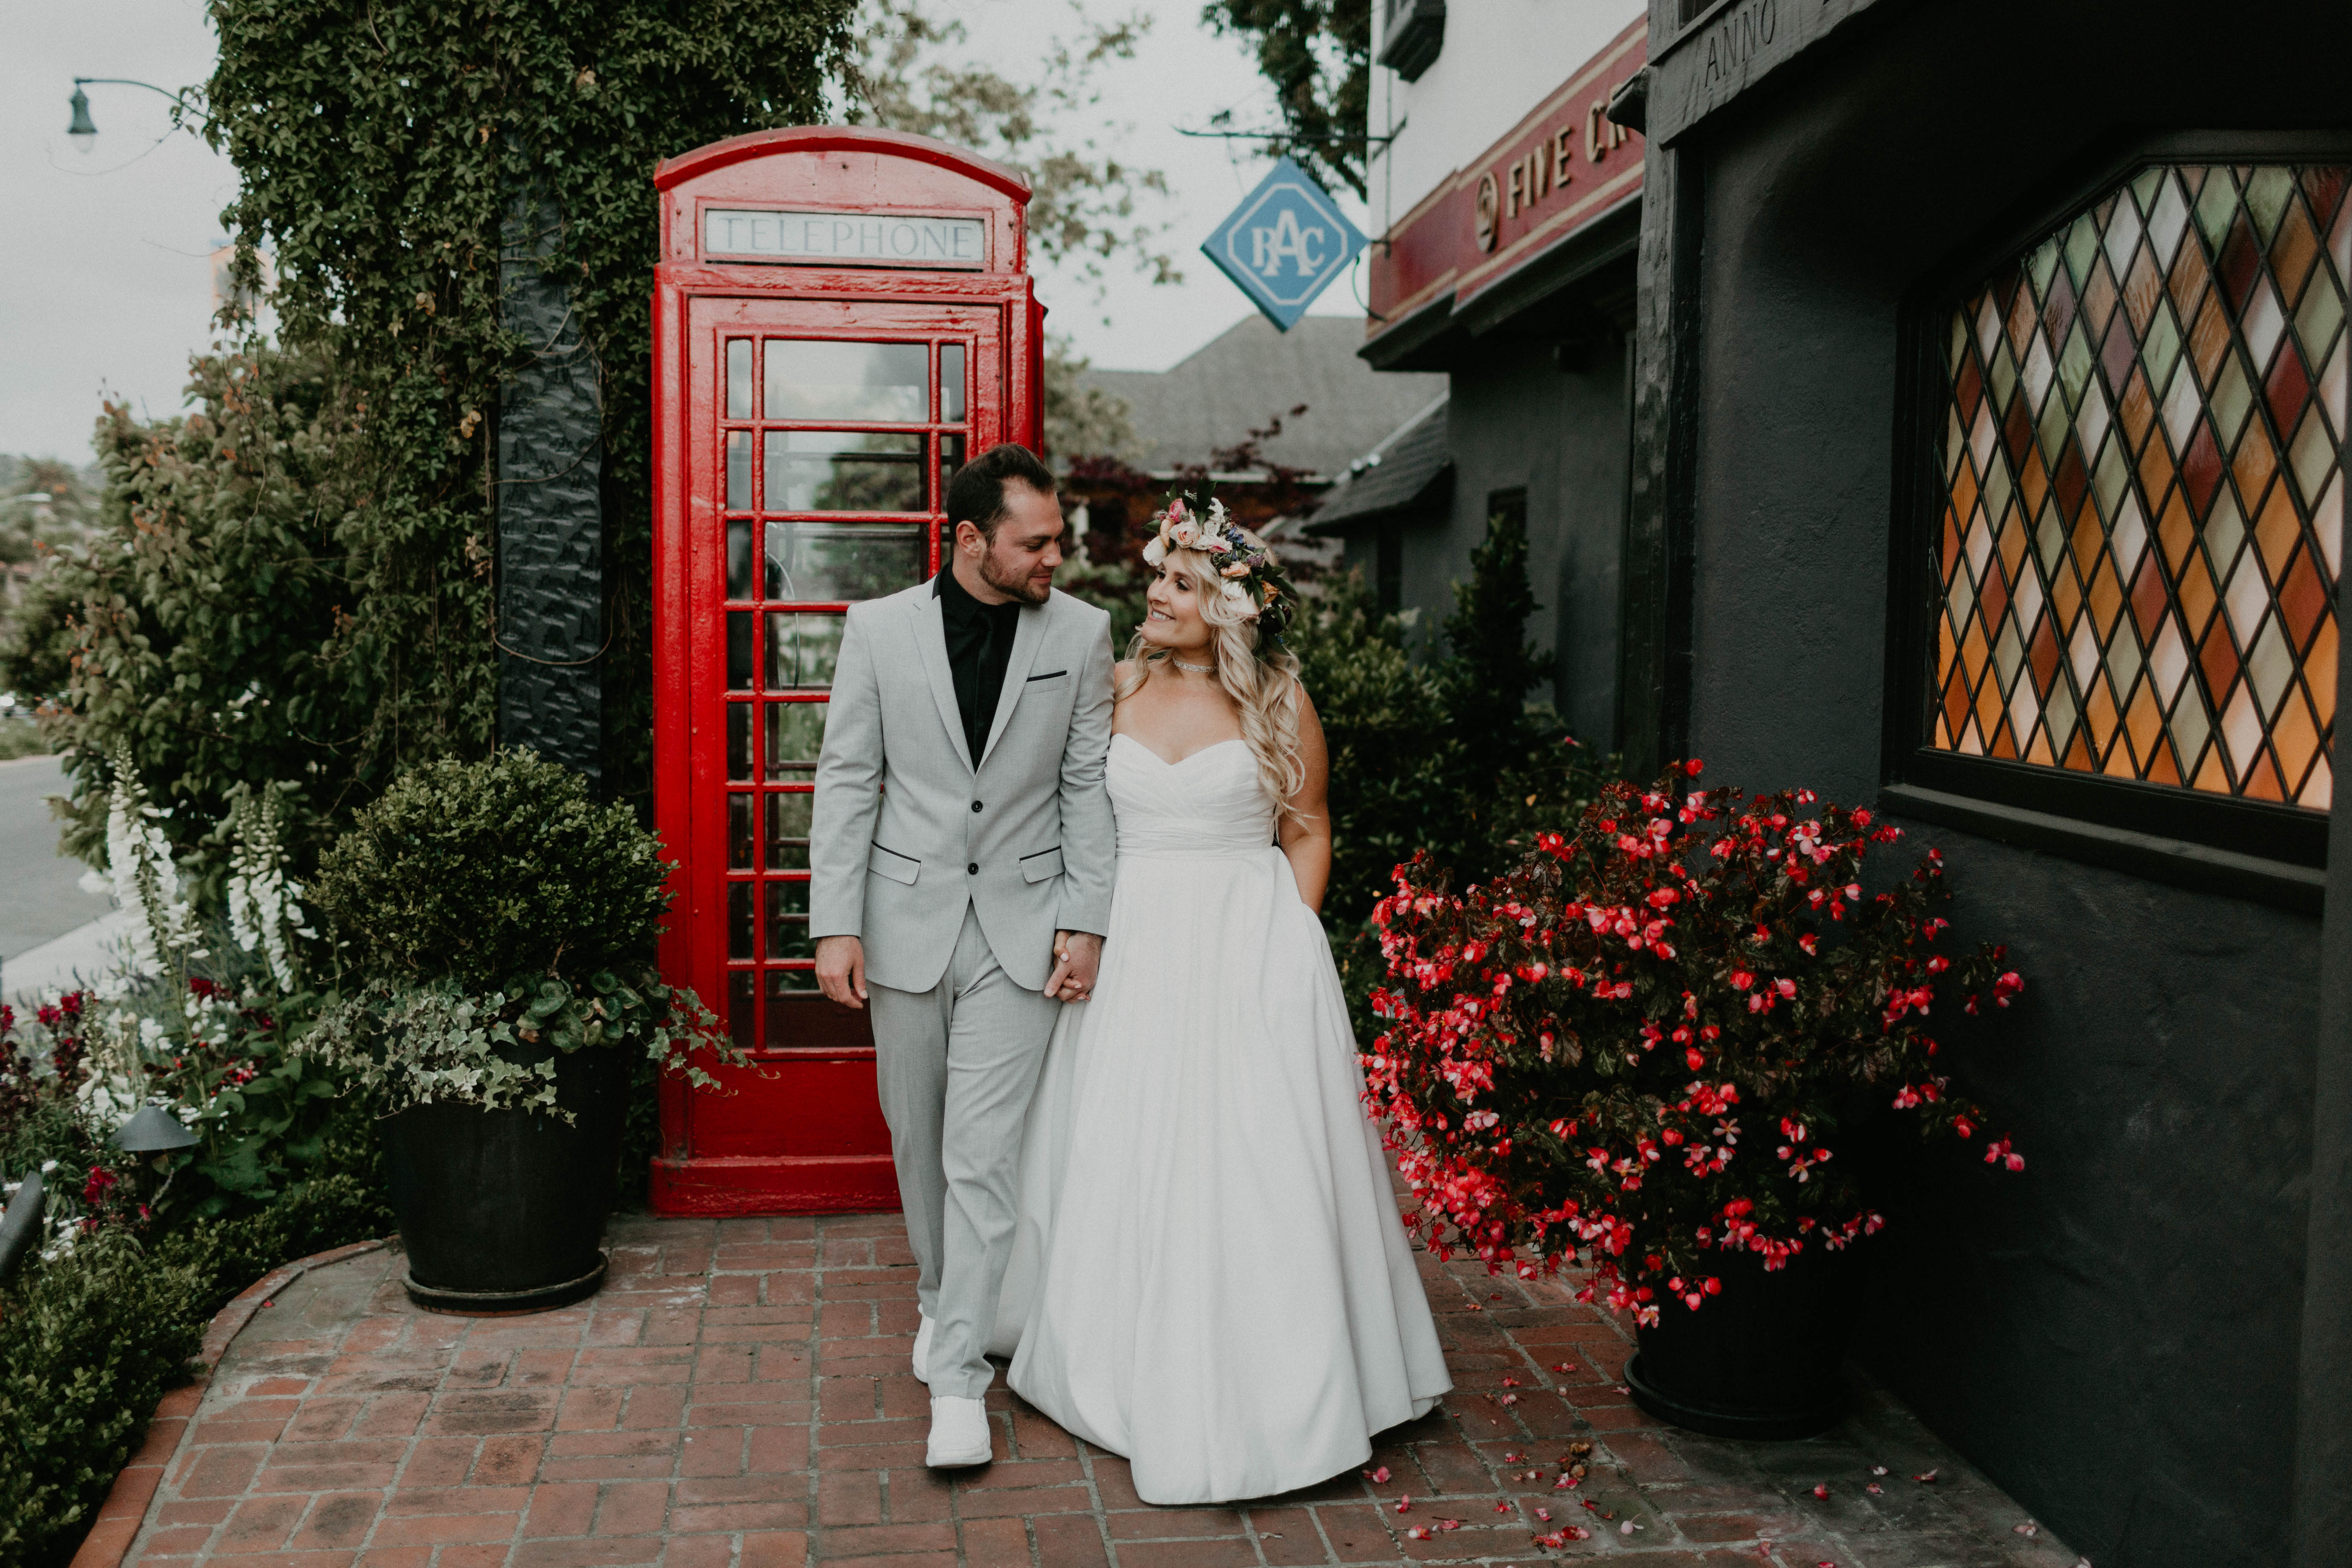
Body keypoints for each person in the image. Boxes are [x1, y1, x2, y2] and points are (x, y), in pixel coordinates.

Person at [997, 493, 1452, 1504]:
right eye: (1158, 576)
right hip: (1134, 946)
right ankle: (1111, 1358)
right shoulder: (1113, 685)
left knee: (1248, 1154)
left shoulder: (1278, 701)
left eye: (1178, 583)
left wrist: (1288, 944)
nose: (1153, 593)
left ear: (1230, 607)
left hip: (1244, 940)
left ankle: (1290, 1381)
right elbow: (1069, 818)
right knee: (1125, 1143)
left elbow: (1308, 829)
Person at [809, 442, 1115, 1470]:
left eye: (1059, 539)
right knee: (918, 1138)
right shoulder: (877, 631)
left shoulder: (1080, 634)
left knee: (980, 1156)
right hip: (904, 923)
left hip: (1023, 929)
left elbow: (1086, 790)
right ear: (971, 538)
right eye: (1036, 543)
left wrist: (1089, 918)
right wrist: (833, 922)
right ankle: (945, 1300)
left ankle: (956, 1383)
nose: (1054, 559)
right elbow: (848, 780)